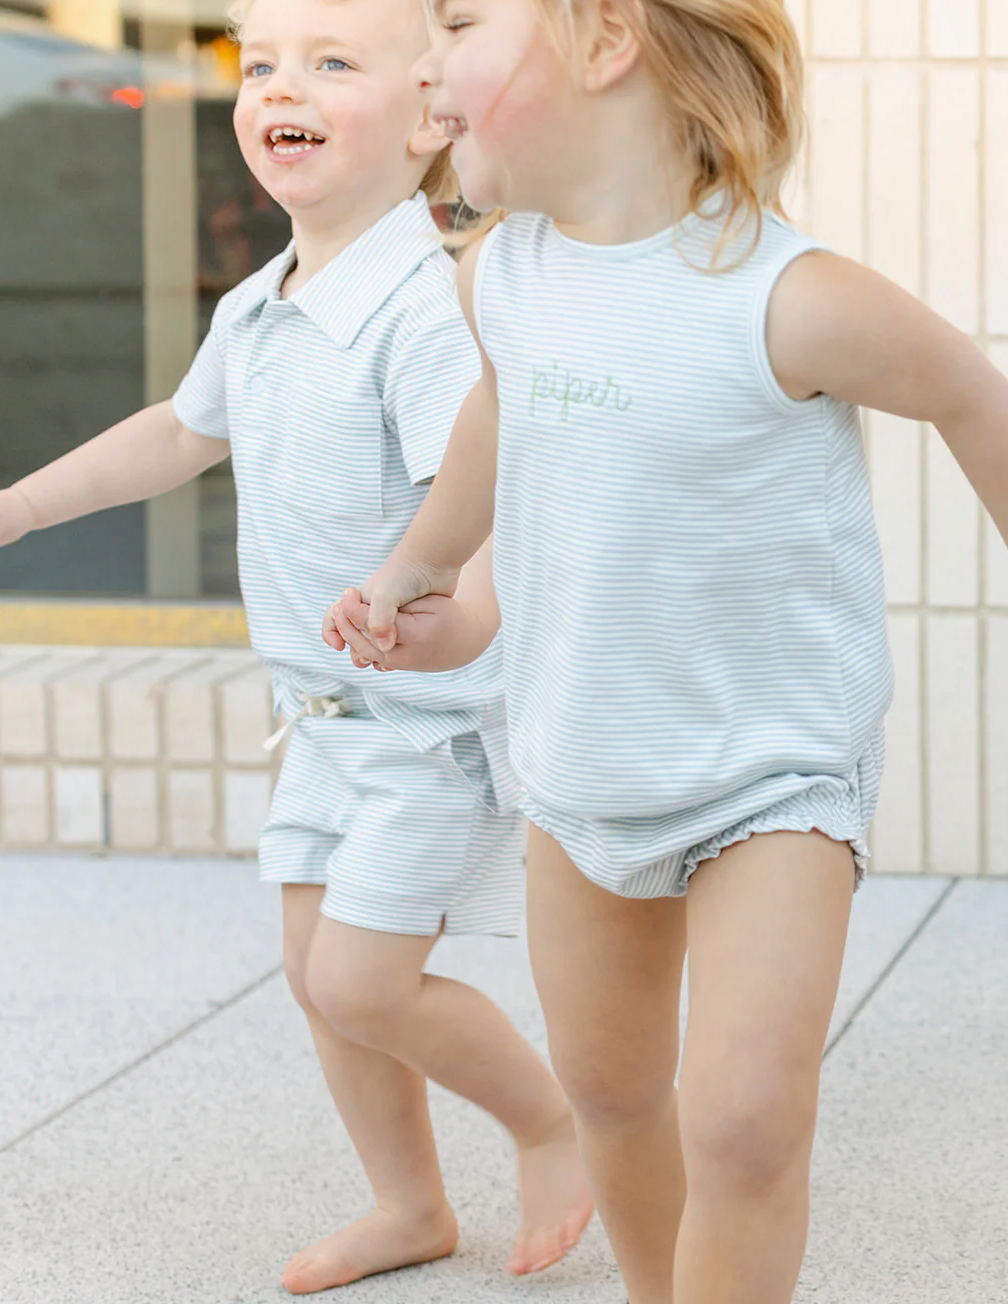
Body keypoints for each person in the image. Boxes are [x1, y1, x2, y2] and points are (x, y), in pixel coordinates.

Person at [323, 2, 1008, 1301]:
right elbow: (501, 428)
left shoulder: (784, 296)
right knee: (613, 1094)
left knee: (744, 1114)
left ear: (606, 42)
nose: (425, 60)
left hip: (772, 778)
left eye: (460, 20)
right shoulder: (500, 275)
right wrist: (436, 589)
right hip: (579, 767)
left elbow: (973, 391)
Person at [0, 0, 592, 1293]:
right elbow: (177, 432)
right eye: (258, 63)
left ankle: (553, 1123)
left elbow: (481, 482)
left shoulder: (424, 309)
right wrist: (27, 505)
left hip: (427, 725)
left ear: (430, 117)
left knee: (367, 978)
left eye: (332, 62)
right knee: (317, 975)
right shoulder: (263, 306)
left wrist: (439, 602)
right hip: (320, 725)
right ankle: (410, 1206)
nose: (283, 86)